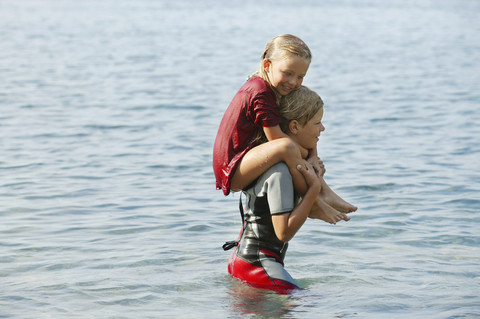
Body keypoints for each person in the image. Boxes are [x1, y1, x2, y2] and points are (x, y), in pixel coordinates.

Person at [213, 34, 356, 224]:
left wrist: (312, 155)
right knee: (288, 147)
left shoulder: (274, 86)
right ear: (267, 66)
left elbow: (298, 127)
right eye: (287, 73)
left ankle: (324, 192)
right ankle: (313, 201)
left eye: (300, 76)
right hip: (234, 169)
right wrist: (305, 152)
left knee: (294, 146)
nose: (293, 82)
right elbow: (278, 141)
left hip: (250, 157)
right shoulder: (259, 91)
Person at [225, 86, 341, 293]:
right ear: (295, 127)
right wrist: (313, 189)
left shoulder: (271, 161)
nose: (323, 128)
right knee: (309, 304)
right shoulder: (280, 172)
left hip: (244, 260)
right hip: (257, 265)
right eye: (317, 123)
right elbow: (283, 232)